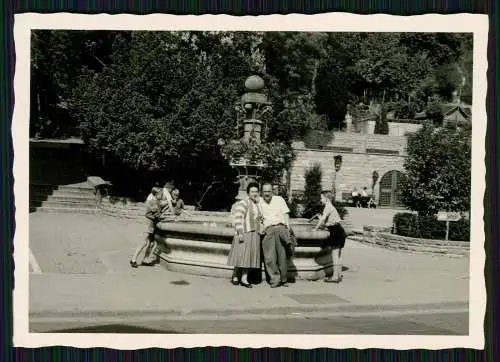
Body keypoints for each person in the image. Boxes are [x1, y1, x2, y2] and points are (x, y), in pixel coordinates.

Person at [227, 182, 263, 288]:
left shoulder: (257, 204)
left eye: (256, 191)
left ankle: (244, 278)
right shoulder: (244, 203)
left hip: (254, 234)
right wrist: (240, 232)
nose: (254, 193)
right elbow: (238, 217)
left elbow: (260, 218)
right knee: (240, 255)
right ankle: (235, 276)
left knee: (249, 257)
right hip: (245, 233)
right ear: (248, 193)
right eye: (252, 191)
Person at [259, 182, 294, 288]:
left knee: (282, 256)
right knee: (269, 258)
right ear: (261, 192)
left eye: (269, 191)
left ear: (272, 191)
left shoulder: (279, 199)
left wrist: (287, 228)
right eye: (265, 191)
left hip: (280, 228)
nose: (267, 194)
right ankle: (275, 279)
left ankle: (283, 279)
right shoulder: (258, 201)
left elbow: (285, 214)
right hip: (268, 230)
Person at [313, 191, 346, 283]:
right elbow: (328, 222)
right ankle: (338, 275)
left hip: (335, 232)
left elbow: (323, 220)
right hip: (339, 231)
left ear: (326, 199)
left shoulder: (328, 207)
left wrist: (315, 229)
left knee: (335, 256)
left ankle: (335, 277)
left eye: (322, 198)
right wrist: (321, 220)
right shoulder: (331, 207)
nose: (321, 200)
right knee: (338, 255)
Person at [130, 186, 163, 268]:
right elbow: (153, 214)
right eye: (161, 194)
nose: (162, 196)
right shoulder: (153, 202)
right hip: (148, 224)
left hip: (152, 224)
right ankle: (133, 259)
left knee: (150, 243)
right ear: (156, 194)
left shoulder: (157, 201)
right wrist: (163, 217)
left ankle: (145, 259)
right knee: (144, 242)